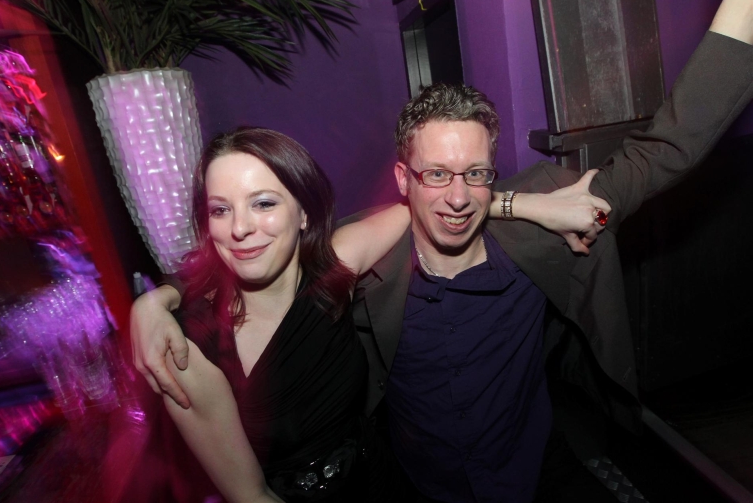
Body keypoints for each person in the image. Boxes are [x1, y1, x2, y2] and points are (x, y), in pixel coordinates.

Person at [134, 0, 753, 500]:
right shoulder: (363, 272)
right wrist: (157, 300)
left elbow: (664, 151)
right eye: (435, 174)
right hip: (414, 488)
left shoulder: (541, 234)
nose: (457, 197)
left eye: (475, 174)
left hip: (538, 474)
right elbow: (254, 251)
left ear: (492, 174)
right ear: (403, 179)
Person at [141, 126, 609, 502]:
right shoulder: (188, 351)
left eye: (263, 203)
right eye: (220, 210)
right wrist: (155, 300)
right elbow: (248, 494)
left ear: (303, 214)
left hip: (385, 481)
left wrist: (532, 205)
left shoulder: (336, 267)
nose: (240, 227)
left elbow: (431, 205)